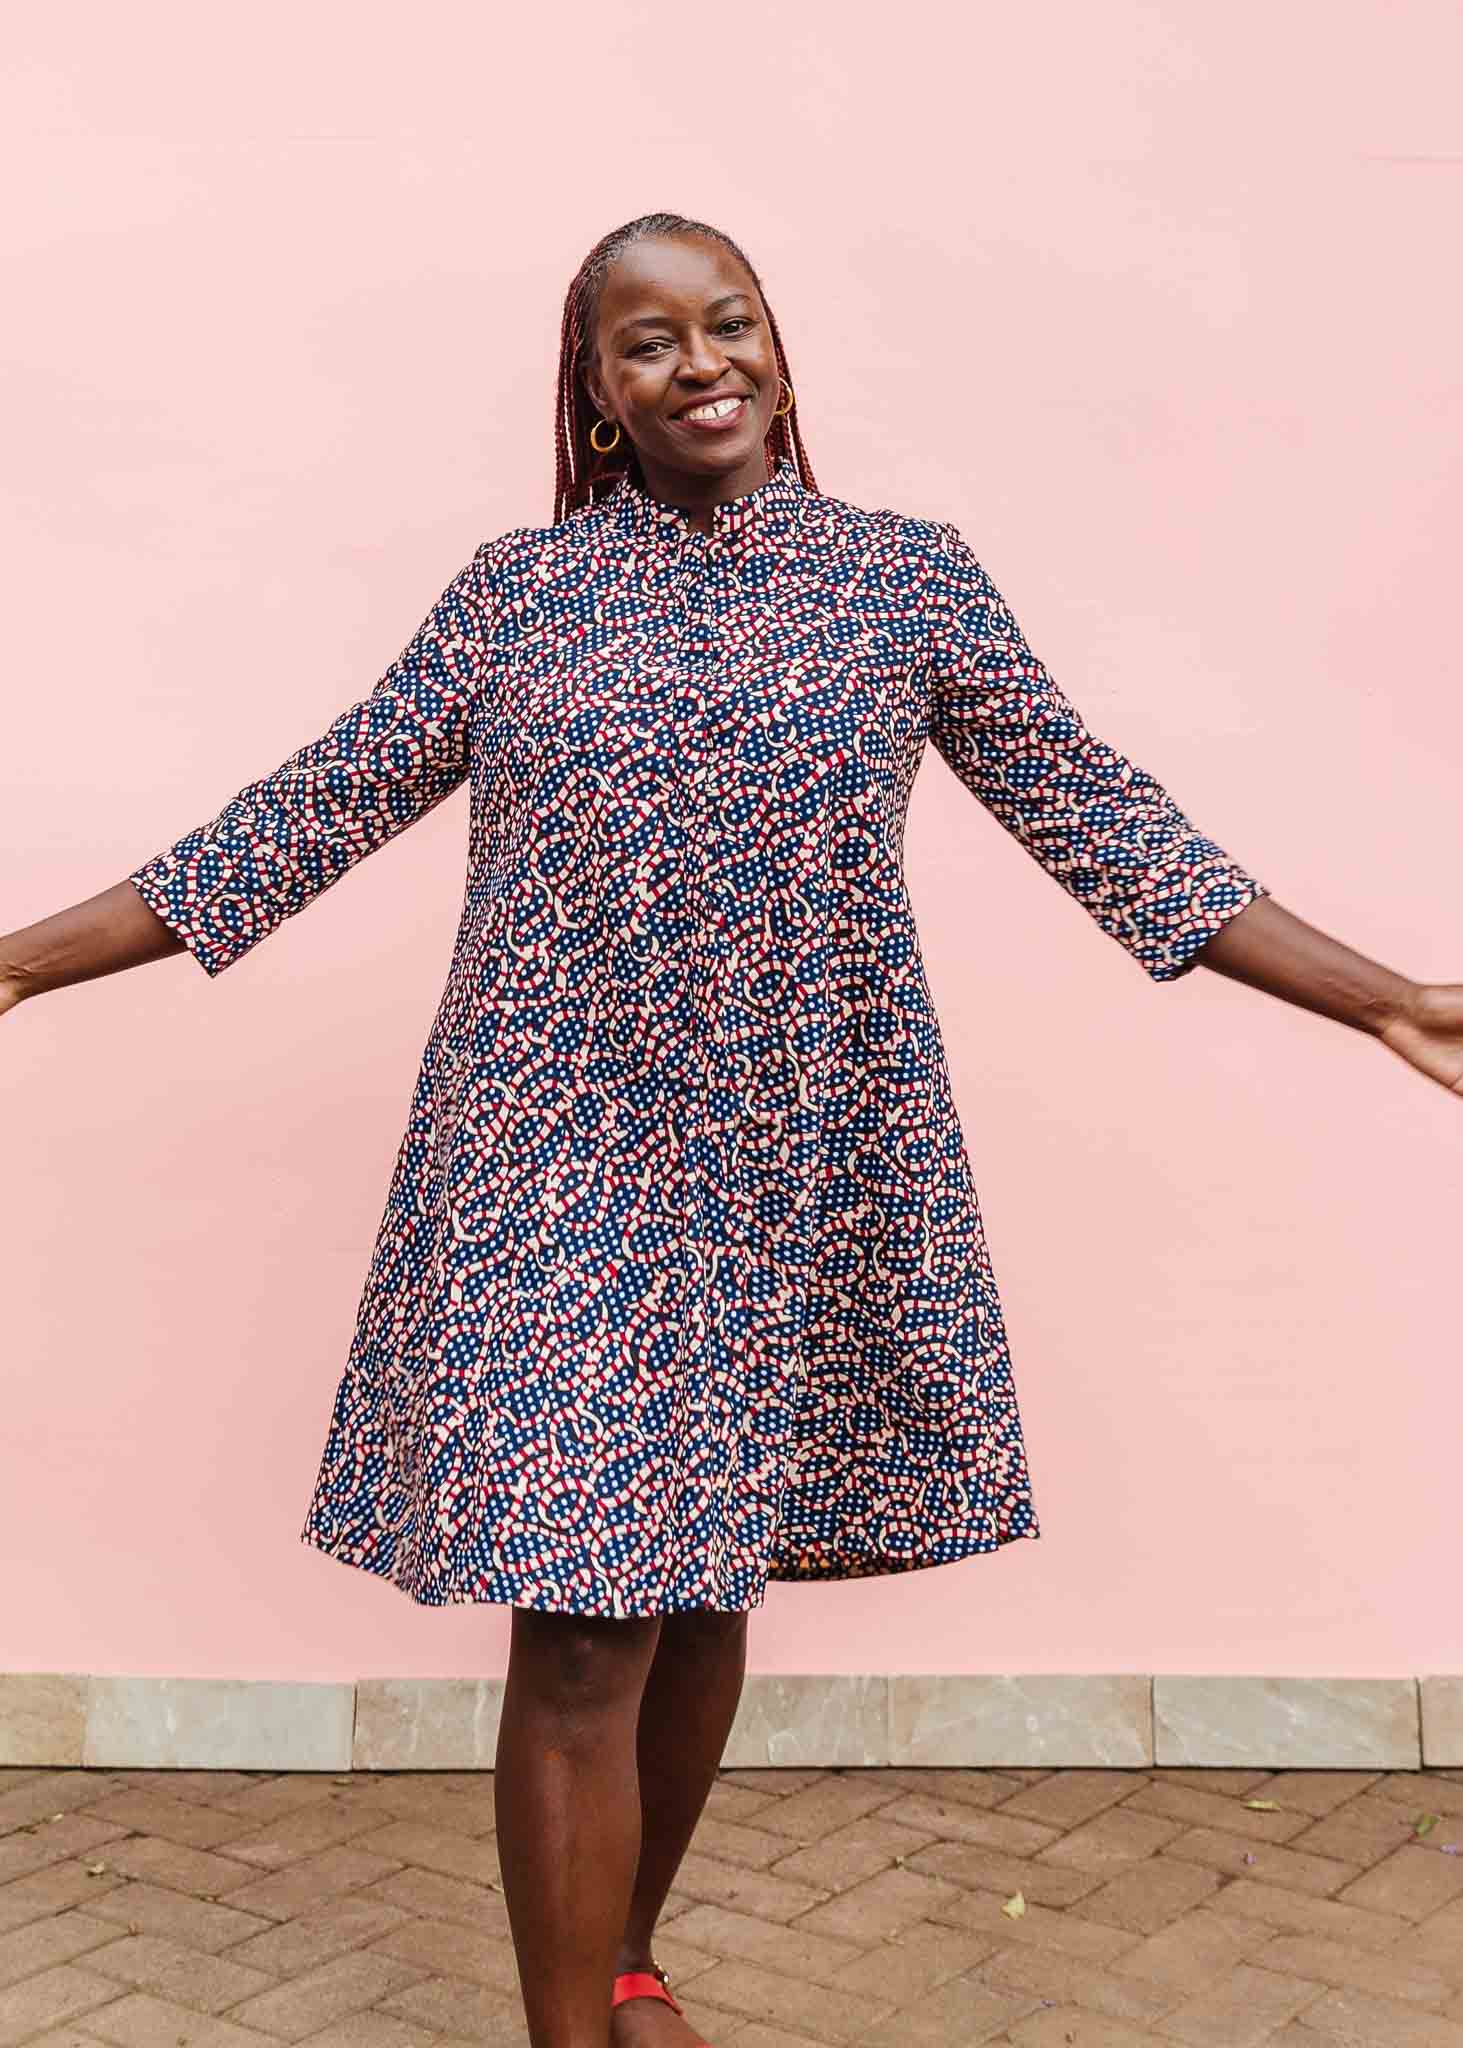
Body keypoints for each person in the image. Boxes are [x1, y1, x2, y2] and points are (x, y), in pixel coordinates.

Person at [3, 209, 1459, 2048]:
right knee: (584, 1619)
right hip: (553, 1155)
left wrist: (1388, 995)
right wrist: (22, 968)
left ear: (779, 348)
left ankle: (620, 1959)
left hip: (802, 1153)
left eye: (731, 324)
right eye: (649, 343)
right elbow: (299, 816)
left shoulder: (908, 583)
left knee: (698, 1593)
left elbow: (1112, 825)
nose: (701, 365)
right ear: (597, 395)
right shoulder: (517, 598)